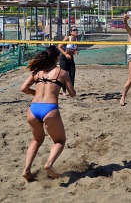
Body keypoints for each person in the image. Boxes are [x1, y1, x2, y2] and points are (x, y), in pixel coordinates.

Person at [20, 45, 76, 181]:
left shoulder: (37, 71)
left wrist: (36, 93)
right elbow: (72, 94)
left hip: (33, 109)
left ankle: (26, 170)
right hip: (49, 109)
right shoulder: (62, 73)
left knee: (36, 140)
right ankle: (49, 164)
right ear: (57, 58)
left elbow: (23, 88)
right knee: (60, 141)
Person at [58, 26, 79, 94]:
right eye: (74, 30)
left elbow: (75, 48)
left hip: (70, 58)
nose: (76, 31)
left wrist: (75, 51)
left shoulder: (76, 39)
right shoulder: (68, 38)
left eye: (76, 30)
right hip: (63, 58)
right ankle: (64, 91)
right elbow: (59, 47)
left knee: (72, 74)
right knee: (64, 74)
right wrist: (65, 54)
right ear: (70, 32)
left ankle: (71, 91)